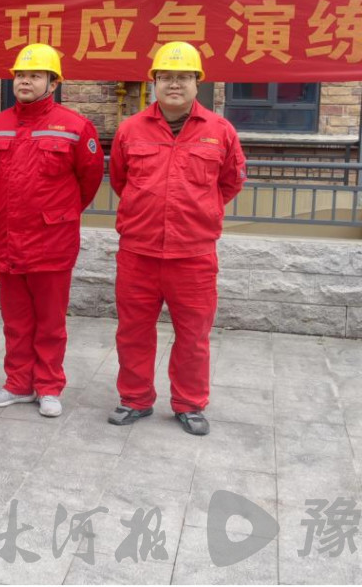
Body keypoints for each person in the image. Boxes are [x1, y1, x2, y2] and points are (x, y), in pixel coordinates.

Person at [107, 41, 246, 436]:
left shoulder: (220, 131)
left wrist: (200, 210)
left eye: (184, 77)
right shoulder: (130, 129)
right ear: (154, 82)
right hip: (139, 252)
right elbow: (120, 180)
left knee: (193, 336)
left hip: (193, 255)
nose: (174, 84)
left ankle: (189, 403)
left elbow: (230, 182)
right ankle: (135, 398)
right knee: (133, 331)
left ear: (197, 82)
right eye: (166, 76)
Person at [0, 44, 103, 418]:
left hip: (52, 241)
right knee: (16, 320)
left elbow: (89, 181)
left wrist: (58, 214)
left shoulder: (76, 127)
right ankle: (18, 384)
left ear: (53, 83)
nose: (25, 81)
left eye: (34, 75)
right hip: (6, 239)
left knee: (50, 321)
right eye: (20, 75)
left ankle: (48, 386)